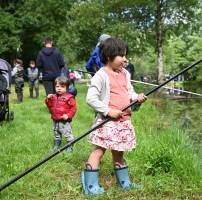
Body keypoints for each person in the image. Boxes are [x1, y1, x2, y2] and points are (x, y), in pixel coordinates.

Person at [82, 38, 147, 196]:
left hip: (123, 121)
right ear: (110, 56)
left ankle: (124, 183)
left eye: (125, 55)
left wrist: (135, 97)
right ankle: (90, 186)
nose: (125, 59)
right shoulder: (100, 75)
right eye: (122, 56)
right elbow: (91, 98)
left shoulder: (124, 73)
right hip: (107, 122)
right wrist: (107, 111)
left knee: (119, 153)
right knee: (98, 151)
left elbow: (128, 91)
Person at [45, 76, 77, 153]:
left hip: (64, 121)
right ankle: (56, 146)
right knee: (56, 133)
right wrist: (48, 99)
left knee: (67, 134)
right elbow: (50, 106)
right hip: (55, 119)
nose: (59, 88)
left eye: (62, 87)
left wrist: (68, 115)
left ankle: (70, 147)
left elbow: (74, 109)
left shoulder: (69, 98)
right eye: (57, 86)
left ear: (67, 87)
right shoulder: (54, 97)